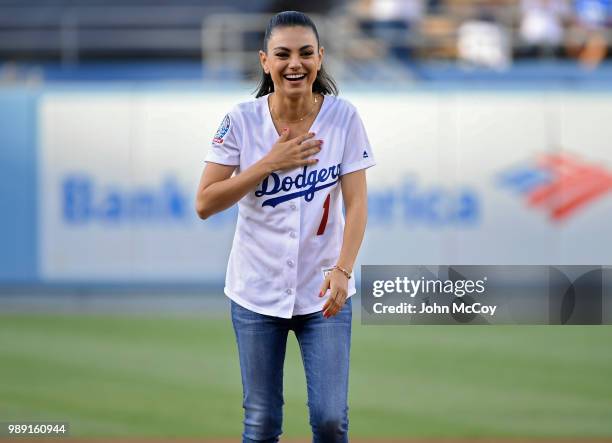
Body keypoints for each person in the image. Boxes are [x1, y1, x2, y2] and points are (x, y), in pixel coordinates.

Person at [195, 10, 375, 443]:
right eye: (283, 54)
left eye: (305, 53)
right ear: (264, 61)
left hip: (323, 292)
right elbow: (205, 202)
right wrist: (268, 164)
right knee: (261, 423)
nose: (295, 63)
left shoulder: (343, 117)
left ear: (320, 58)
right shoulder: (241, 120)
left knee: (331, 420)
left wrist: (343, 269)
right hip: (256, 290)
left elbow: (357, 202)